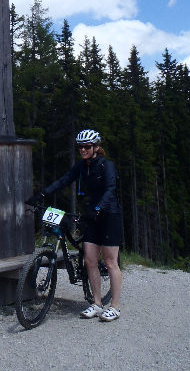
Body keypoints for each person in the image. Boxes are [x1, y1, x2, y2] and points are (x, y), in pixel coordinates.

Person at [26, 129, 122, 322]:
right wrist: (42, 194)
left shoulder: (107, 166)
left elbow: (111, 189)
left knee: (110, 262)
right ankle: (97, 303)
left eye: (87, 146)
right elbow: (64, 180)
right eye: (80, 147)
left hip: (109, 215)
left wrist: (98, 208)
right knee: (90, 261)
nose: (83, 150)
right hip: (92, 216)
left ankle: (115, 307)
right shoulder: (82, 166)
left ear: (96, 147)